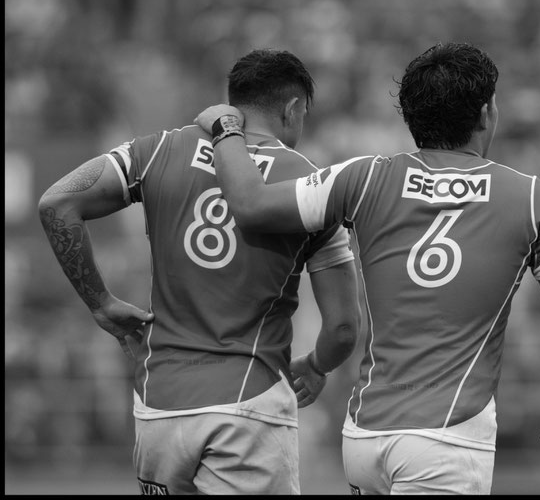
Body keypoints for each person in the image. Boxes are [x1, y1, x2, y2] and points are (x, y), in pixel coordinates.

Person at [195, 42, 540, 495]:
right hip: (447, 438)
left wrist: (228, 129)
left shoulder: (363, 177)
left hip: (365, 434)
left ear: (411, 119)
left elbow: (250, 206)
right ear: (486, 114)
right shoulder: (531, 197)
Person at [37, 48, 361, 494]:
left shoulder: (156, 150)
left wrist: (102, 304)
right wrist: (319, 365)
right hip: (248, 401)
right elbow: (343, 328)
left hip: (159, 404)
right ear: (293, 109)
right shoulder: (311, 185)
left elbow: (57, 203)